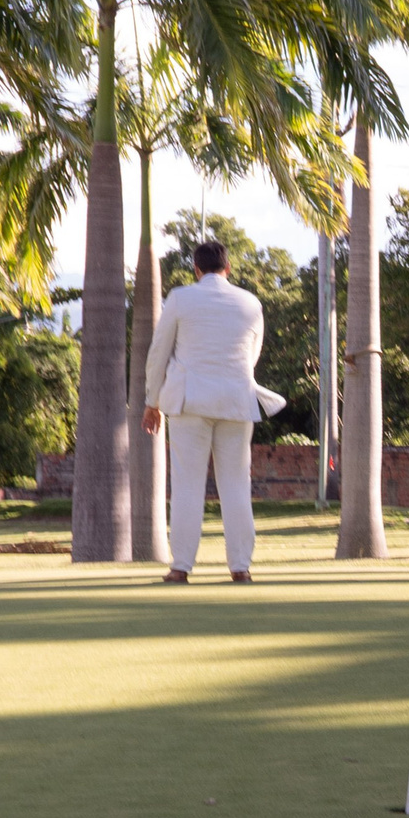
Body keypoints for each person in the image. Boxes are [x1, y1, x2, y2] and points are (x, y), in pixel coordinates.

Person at [143, 239, 266, 584]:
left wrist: (152, 401)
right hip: (236, 400)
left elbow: (159, 352)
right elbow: (251, 355)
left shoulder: (181, 298)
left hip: (191, 401)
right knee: (237, 485)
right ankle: (240, 567)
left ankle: (181, 566)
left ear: (196, 270)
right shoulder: (251, 303)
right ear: (228, 268)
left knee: (186, 485)